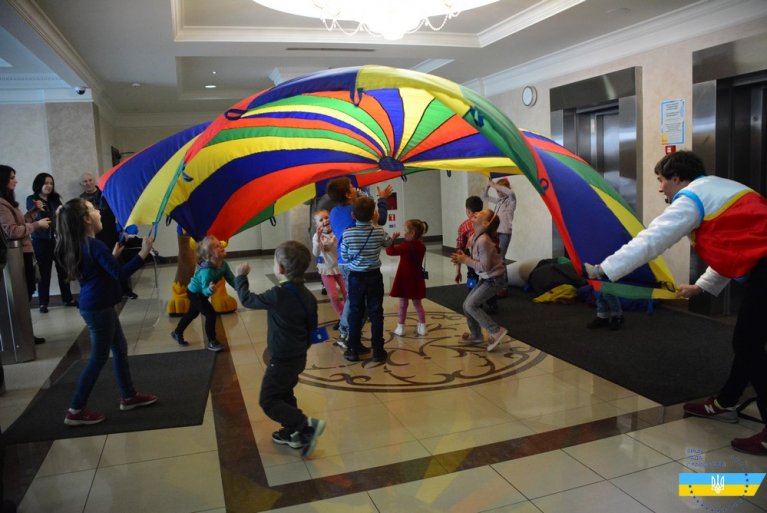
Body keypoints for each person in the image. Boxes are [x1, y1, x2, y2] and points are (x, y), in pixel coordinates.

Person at [586, 150, 767, 456]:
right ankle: (725, 402)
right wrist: (700, 287)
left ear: (677, 178)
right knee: (748, 343)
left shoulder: (691, 197)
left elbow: (652, 239)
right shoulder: (720, 189)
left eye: (661, 180)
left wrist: (605, 269)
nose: (660, 188)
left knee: (748, 344)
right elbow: (734, 247)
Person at [54, 198, 157, 425]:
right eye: (94, 209)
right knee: (98, 358)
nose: (99, 212)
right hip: (98, 307)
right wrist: (143, 253)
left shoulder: (83, 244)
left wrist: (113, 256)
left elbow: (100, 269)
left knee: (119, 348)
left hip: (96, 305)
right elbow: (119, 275)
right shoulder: (95, 246)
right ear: (86, 219)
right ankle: (76, 409)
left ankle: (128, 396)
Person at [234, 241, 326, 458]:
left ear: (281, 268)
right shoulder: (308, 296)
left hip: (282, 359)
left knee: (268, 400)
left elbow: (248, 300)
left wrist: (240, 277)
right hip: (298, 357)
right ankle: (293, 432)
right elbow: (312, 328)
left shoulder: (278, 294)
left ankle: (305, 426)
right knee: (284, 393)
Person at [327, 177, 392, 348]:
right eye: (351, 187)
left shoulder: (334, 212)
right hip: (360, 264)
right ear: (348, 195)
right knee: (359, 303)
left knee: (353, 299)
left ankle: (346, 332)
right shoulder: (356, 210)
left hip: (344, 260)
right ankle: (347, 333)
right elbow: (380, 220)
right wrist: (382, 199)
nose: (355, 187)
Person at [340, 196, 393, 362]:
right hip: (374, 276)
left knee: (355, 312)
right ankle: (378, 350)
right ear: (373, 215)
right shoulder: (379, 231)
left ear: (353, 215)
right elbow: (388, 243)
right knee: (376, 312)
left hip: (356, 277)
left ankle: (353, 349)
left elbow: (344, 256)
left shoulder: (347, 234)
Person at [0, 164, 49, 345]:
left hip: (25, 252)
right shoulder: (1, 204)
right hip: (17, 254)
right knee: (22, 296)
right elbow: (12, 231)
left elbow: (20, 223)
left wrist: (33, 213)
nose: (16, 181)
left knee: (26, 294)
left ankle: (25, 334)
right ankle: (22, 336)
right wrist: (37, 225)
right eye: (12, 178)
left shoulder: (7, 202)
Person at [450, 209, 509, 352]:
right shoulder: (475, 236)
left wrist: (465, 260)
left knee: (471, 305)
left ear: (485, 223)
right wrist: (462, 257)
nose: (476, 213)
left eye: (480, 214)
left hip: (494, 279)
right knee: (467, 305)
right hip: (487, 277)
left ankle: (495, 330)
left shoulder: (484, 241)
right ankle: (476, 335)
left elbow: (485, 266)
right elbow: (473, 255)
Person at [26, 172, 77, 313]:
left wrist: (59, 214)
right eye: (46, 183)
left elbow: (63, 216)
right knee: (44, 273)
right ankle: (43, 303)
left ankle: (68, 299)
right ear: (39, 184)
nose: (49, 186)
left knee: (63, 271)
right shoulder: (32, 199)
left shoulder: (55, 199)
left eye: (51, 183)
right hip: (41, 242)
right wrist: (56, 214)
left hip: (58, 240)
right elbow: (41, 218)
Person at [171, 235, 232, 352]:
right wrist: (210, 290)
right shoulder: (207, 272)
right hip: (196, 293)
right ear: (209, 256)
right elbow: (204, 290)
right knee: (211, 315)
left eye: (220, 244)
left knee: (192, 313)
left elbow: (231, 278)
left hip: (201, 293)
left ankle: (177, 332)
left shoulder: (223, 264)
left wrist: (240, 287)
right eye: (217, 246)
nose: (221, 246)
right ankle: (212, 342)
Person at [80, 172, 136, 299]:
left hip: (110, 232)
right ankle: (109, 291)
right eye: (85, 181)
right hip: (94, 235)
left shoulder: (105, 194)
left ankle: (125, 290)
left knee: (118, 260)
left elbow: (117, 212)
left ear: (94, 181)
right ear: (82, 184)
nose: (88, 183)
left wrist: (125, 230)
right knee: (102, 264)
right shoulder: (81, 201)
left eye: (90, 180)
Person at [454, 195, 499, 313]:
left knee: (472, 277)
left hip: (472, 259)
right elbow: (496, 241)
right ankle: (492, 303)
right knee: (489, 279)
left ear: (468, 210)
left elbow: (460, 248)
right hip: (489, 258)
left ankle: (472, 297)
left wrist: (457, 271)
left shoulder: (464, 226)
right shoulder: (488, 222)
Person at [386, 219, 429, 337]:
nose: (403, 233)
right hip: (417, 279)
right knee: (417, 304)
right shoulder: (422, 246)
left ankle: (400, 327)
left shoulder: (405, 246)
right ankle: (422, 326)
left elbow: (390, 251)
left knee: (402, 304)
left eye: (405, 230)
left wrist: (392, 240)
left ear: (412, 233)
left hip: (404, 278)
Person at [311, 209, 345, 329]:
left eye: (326, 217)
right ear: (316, 224)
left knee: (348, 293)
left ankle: (349, 315)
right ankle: (342, 317)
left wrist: (332, 242)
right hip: (326, 269)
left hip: (340, 267)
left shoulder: (337, 230)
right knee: (333, 296)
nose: (325, 221)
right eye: (321, 220)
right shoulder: (317, 237)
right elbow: (316, 253)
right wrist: (318, 241)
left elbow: (338, 246)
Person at [482, 177, 516, 262]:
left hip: (504, 233)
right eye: (497, 191)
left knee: (500, 258)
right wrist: (488, 186)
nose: (499, 193)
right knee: (494, 255)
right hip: (495, 232)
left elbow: (511, 193)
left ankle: (502, 271)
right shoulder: (499, 201)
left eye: (500, 190)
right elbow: (484, 197)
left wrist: (494, 185)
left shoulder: (511, 201)